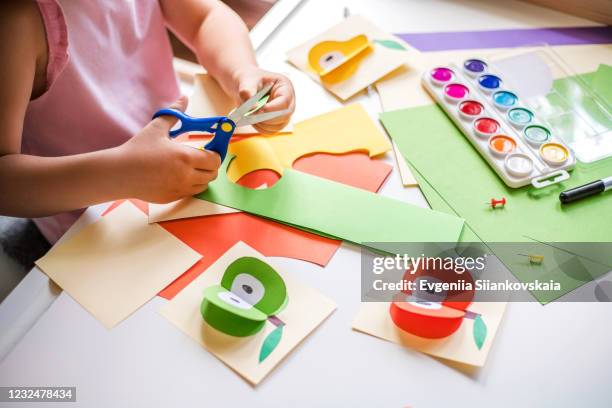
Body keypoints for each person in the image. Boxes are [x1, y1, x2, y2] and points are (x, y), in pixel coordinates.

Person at [0, 0, 295, 244]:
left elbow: (206, 17)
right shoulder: (14, 24)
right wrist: (122, 173)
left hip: (182, 157)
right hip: (95, 226)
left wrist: (242, 71)